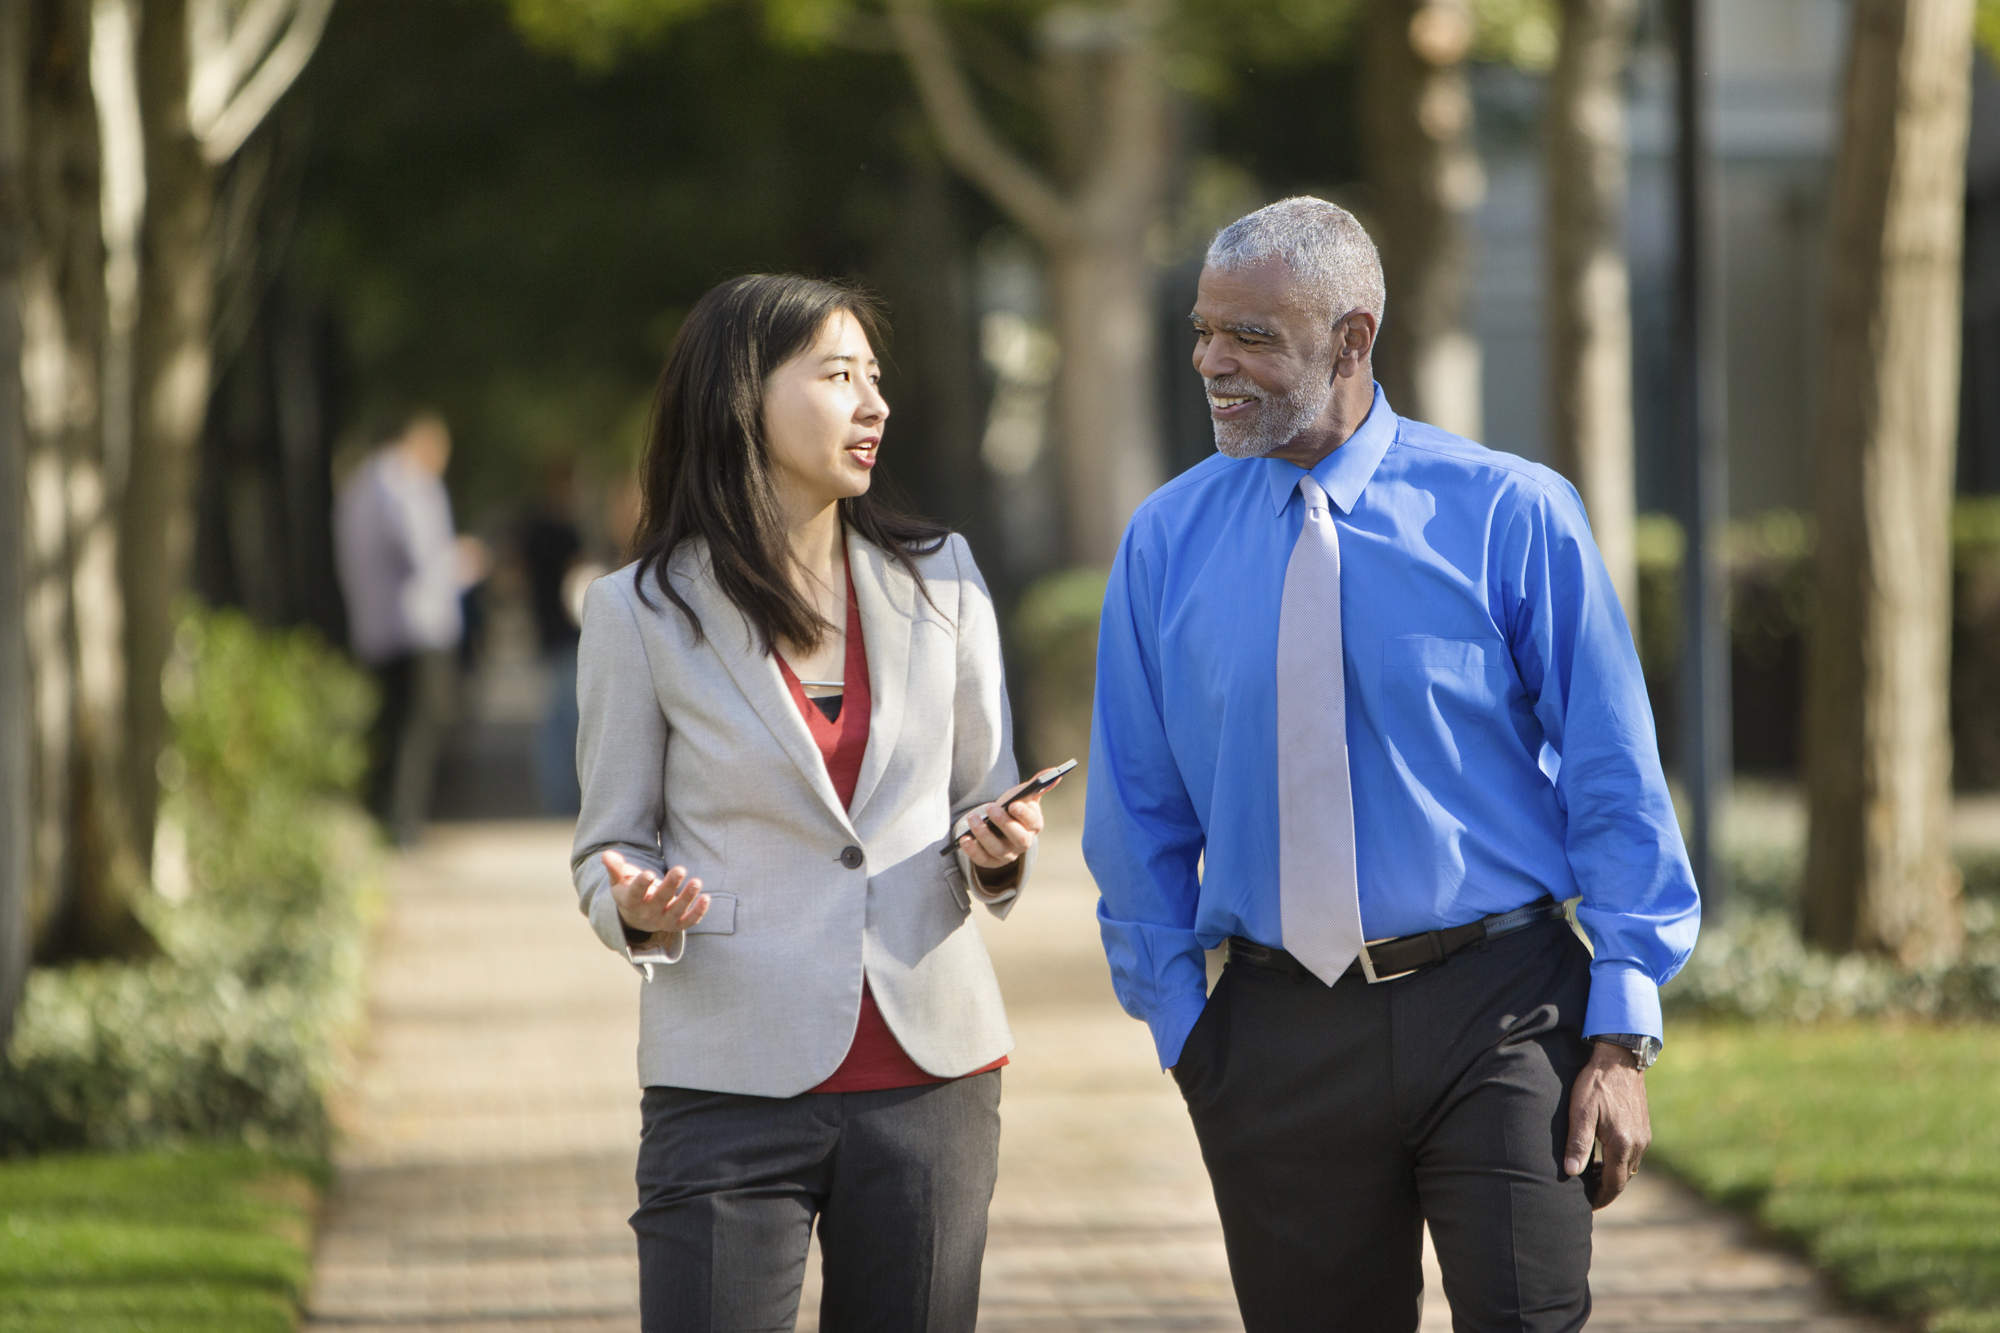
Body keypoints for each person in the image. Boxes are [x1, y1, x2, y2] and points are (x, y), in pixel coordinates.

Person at [1082, 197, 1701, 1332]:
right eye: (1202, 330)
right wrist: (1187, 1029)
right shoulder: (1163, 541)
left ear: (1352, 339)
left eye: (1252, 337)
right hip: (1272, 1033)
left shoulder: (1511, 514)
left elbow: (1613, 781)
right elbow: (1135, 807)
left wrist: (1616, 1033)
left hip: (1501, 1013)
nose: (1212, 362)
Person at [571, 273, 1055, 1333]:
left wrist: (998, 848)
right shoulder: (638, 612)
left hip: (933, 1074)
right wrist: (635, 910)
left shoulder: (945, 579)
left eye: (874, 378)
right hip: (727, 1077)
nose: (873, 404)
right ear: (743, 395)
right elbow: (607, 842)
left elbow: (985, 792)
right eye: (839, 376)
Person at [334, 410, 486, 846]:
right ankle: (404, 824)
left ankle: (384, 819)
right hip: (417, 627)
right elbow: (427, 558)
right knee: (417, 729)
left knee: (387, 727)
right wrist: (466, 560)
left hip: (374, 626)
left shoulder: (359, 484)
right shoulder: (409, 485)